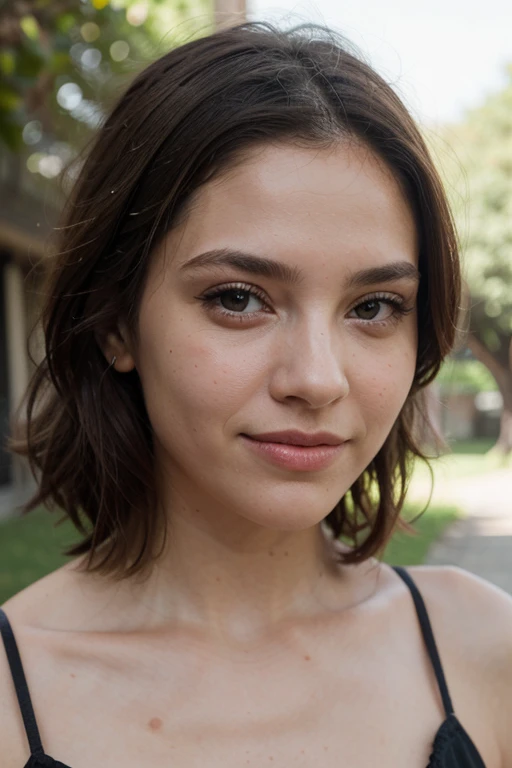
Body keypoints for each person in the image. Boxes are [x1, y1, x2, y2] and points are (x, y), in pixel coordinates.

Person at [0, 20, 510, 768]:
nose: (316, 379)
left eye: (373, 307)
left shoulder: (483, 652)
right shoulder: (14, 704)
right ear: (115, 322)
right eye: (239, 298)